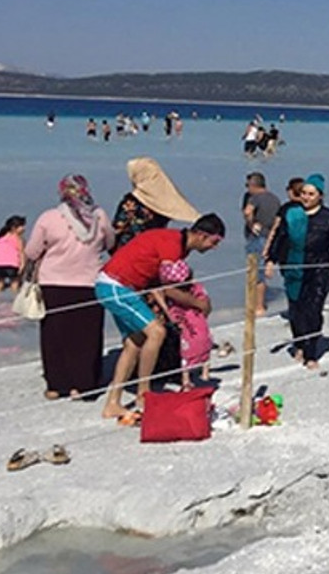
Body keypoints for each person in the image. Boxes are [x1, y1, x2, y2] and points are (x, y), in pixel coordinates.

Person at [96, 213, 225, 419]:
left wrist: (173, 312)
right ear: (201, 235)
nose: (214, 247)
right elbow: (170, 289)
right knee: (156, 332)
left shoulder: (180, 247)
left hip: (122, 286)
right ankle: (143, 393)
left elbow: (159, 285)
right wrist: (200, 304)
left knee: (134, 342)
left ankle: (113, 403)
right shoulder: (172, 244)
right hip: (115, 285)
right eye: (214, 241)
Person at [24, 175, 115, 400]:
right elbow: (110, 243)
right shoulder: (99, 216)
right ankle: (83, 385)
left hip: (54, 283)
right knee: (87, 337)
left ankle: (57, 385)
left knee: (55, 336)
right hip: (89, 283)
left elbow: (32, 251)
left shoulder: (49, 218)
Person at [265, 174, 329, 371]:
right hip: (294, 267)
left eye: (311, 194)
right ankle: (299, 343)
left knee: (313, 310)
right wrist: (271, 260)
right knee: (296, 310)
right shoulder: (291, 212)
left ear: (320, 196)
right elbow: (280, 238)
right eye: (304, 193)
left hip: (321, 269)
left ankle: (311, 353)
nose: (306, 197)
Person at [111, 157, 200, 252]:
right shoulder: (164, 197)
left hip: (130, 251)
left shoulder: (130, 203)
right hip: (153, 250)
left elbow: (117, 228)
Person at [158, 259, 214, 390]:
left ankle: (186, 379)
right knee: (206, 345)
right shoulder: (196, 288)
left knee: (186, 353)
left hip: (186, 325)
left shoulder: (172, 296)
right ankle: (205, 373)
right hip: (199, 321)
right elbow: (205, 303)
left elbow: (173, 313)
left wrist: (172, 318)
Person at [241, 172, 281, 315]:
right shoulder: (274, 198)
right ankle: (259, 304)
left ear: (253, 185)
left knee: (255, 273)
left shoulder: (255, 197)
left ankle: (257, 306)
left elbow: (247, 212)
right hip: (269, 237)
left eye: (247, 185)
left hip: (257, 237)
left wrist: (251, 224)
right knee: (261, 272)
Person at [0, 216, 27, 293]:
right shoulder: (18, 239)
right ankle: (14, 300)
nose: (24, 228)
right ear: (14, 228)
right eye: (21, 226)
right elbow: (21, 253)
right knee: (15, 283)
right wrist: (22, 266)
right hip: (12, 264)